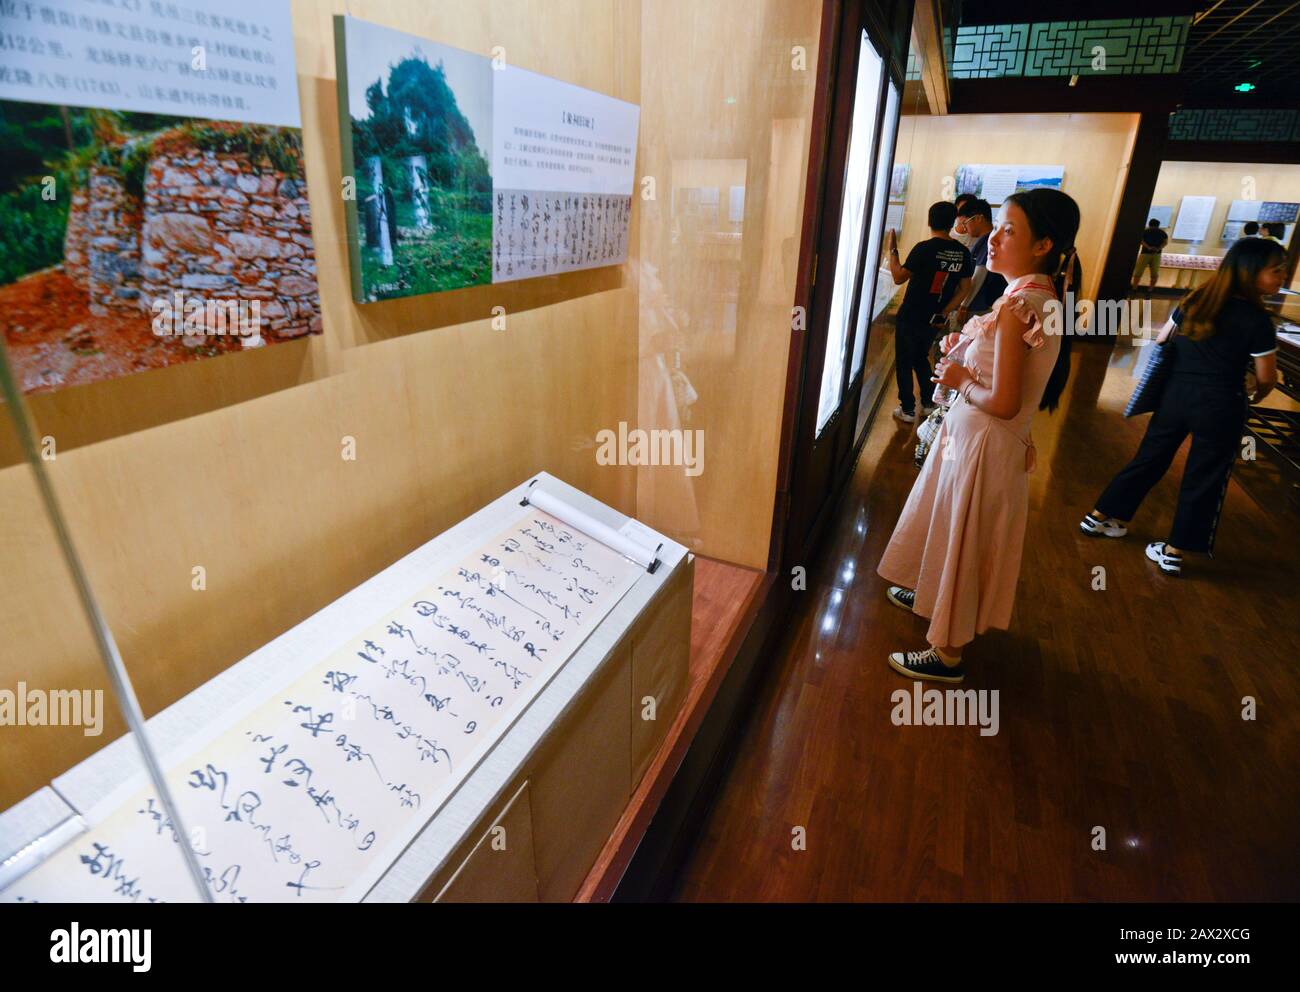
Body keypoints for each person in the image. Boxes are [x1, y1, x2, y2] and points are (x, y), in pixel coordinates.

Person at [877, 189, 1081, 683]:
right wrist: (963, 350)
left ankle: (946, 652)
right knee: (950, 524)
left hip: (984, 443)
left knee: (962, 534)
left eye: (1010, 230)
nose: (993, 237)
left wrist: (959, 378)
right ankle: (932, 592)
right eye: (998, 226)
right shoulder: (1036, 298)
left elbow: (1004, 399)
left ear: (1043, 245)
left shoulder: (1018, 307)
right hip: (981, 442)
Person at [1080, 237, 1284, 575]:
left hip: (1176, 397)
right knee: (1206, 475)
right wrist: (1256, 391)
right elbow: (1266, 376)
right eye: (1275, 271)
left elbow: (1163, 342)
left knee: (1149, 459)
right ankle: (1174, 551)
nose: (1280, 277)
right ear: (1250, 272)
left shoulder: (1195, 301)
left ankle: (1100, 517)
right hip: (1221, 405)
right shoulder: (1258, 320)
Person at [885, 201, 973, 423]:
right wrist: (944, 311)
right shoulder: (962, 253)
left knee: (905, 361)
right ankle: (927, 402)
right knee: (921, 357)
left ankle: (907, 408)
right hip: (935, 317)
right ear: (953, 222)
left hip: (912, 313)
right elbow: (964, 288)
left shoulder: (924, 248)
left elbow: (898, 276)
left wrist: (892, 250)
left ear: (929, 220)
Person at [954, 197, 1007, 322]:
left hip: (977, 307)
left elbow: (979, 274)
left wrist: (964, 305)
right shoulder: (986, 239)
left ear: (978, 218)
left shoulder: (989, 240)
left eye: (965, 223)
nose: (964, 228)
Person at [1132, 218, 1169, 293]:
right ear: (1158, 225)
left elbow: (1141, 240)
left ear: (1149, 224)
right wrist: (1158, 248)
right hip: (1157, 254)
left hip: (1145, 253)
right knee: (1154, 273)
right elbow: (1165, 242)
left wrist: (1148, 247)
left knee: (1138, 272)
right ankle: (1150, 289)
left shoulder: (1145, 231)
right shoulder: (1162, 232)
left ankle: (1134, 288)